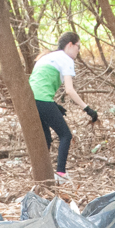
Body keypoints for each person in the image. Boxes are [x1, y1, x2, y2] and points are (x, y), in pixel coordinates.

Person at [29, 31, 98, 183]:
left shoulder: (47, 57)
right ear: (70, 45)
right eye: (78, 47)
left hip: (31, 101)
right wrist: (87, 109)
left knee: (46, 138)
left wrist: (54, 104)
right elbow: (69, 90)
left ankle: (41, 173)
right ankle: (61, 173)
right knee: (65, 135)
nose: (78, 51)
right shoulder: (66, 59)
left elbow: (38, 84)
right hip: (42, 100)